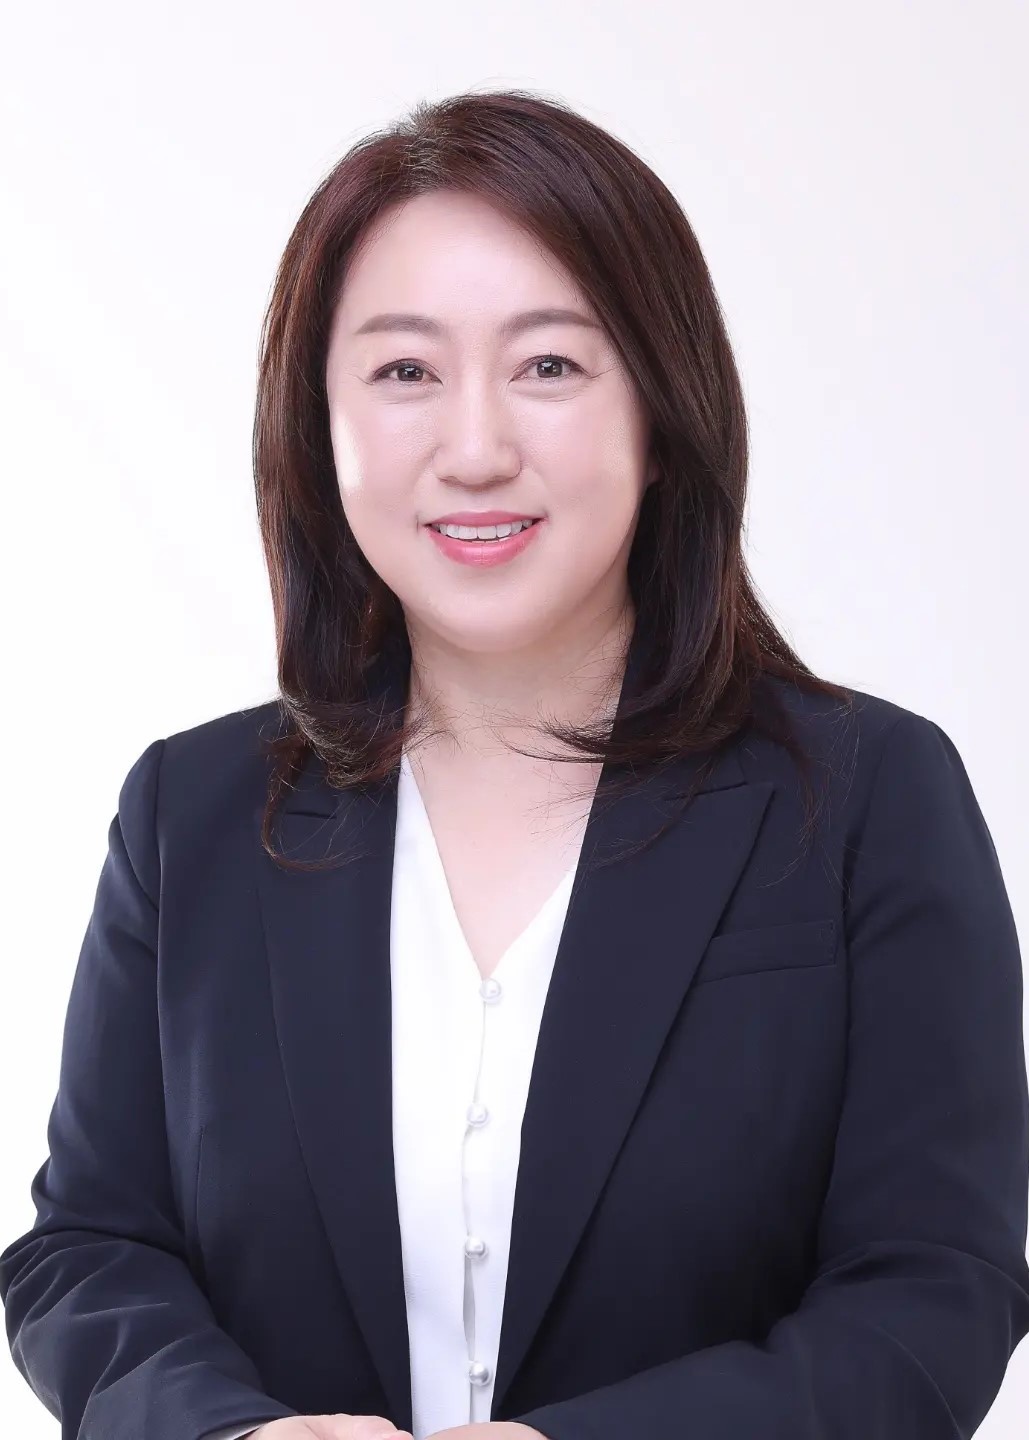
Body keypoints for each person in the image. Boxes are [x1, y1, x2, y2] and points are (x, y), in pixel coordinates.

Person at [1, 87, 1027, 1440]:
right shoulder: (189, 816)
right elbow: (89, 1251)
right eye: (404, 373)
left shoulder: (864, 798)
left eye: (548, 366)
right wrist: (232, 1434)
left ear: (662, 411)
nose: (476, 450)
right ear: (319, 424)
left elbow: (931, 1296)